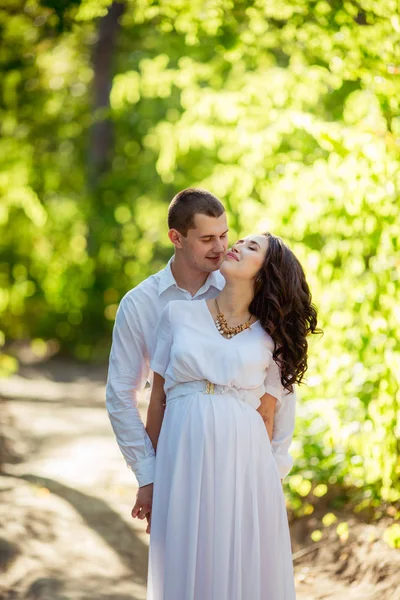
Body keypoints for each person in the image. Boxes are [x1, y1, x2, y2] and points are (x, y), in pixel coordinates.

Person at [145, 232, 320, 599]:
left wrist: (265, 492)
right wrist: (149, 477)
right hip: (183, 461)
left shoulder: (270, 340)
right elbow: (157, 398)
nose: (236, 245)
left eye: (251, 247)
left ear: (266, 271)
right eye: (238, 240)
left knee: (235, 566)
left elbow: (269, 419)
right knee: (184, 564)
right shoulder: (177, 314)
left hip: (244, 469)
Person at [106, 188, 229, 529]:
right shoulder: (139, 304)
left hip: (234, 450)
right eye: (207, 239)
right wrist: (148, 474)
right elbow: (120, 394)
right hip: (175, 450)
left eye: (223, 235)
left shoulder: (240, 289)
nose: (220, 248)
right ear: (176, 237)